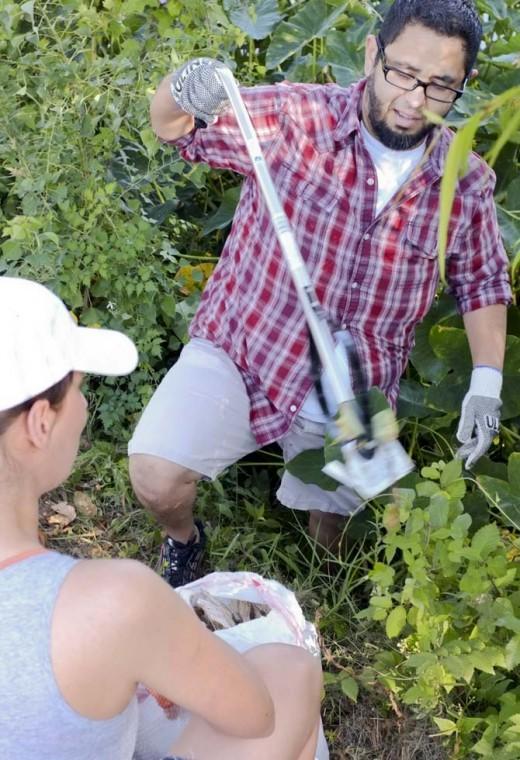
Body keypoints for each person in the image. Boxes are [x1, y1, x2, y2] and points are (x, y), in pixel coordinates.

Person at [129, 0, 512, 587]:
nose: (413, 99)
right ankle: (185, 540)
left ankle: (322, 568)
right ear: (370, 52)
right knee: (155, 475)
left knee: (335, 521)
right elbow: (174, 128)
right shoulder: (294, 115)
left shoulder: (468, 182)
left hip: (355, 387)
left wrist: (487, 383)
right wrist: (184, 87)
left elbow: (481, 278)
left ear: (467, 84)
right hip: (247, 348)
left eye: (440, 86)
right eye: (401, 73)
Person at [0, 276, 322, 760]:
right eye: (80, 389)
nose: (85, 407)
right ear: (40, 422)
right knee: (289, 671)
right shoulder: (113, 602)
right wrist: (152, 650)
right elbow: (256, 715)